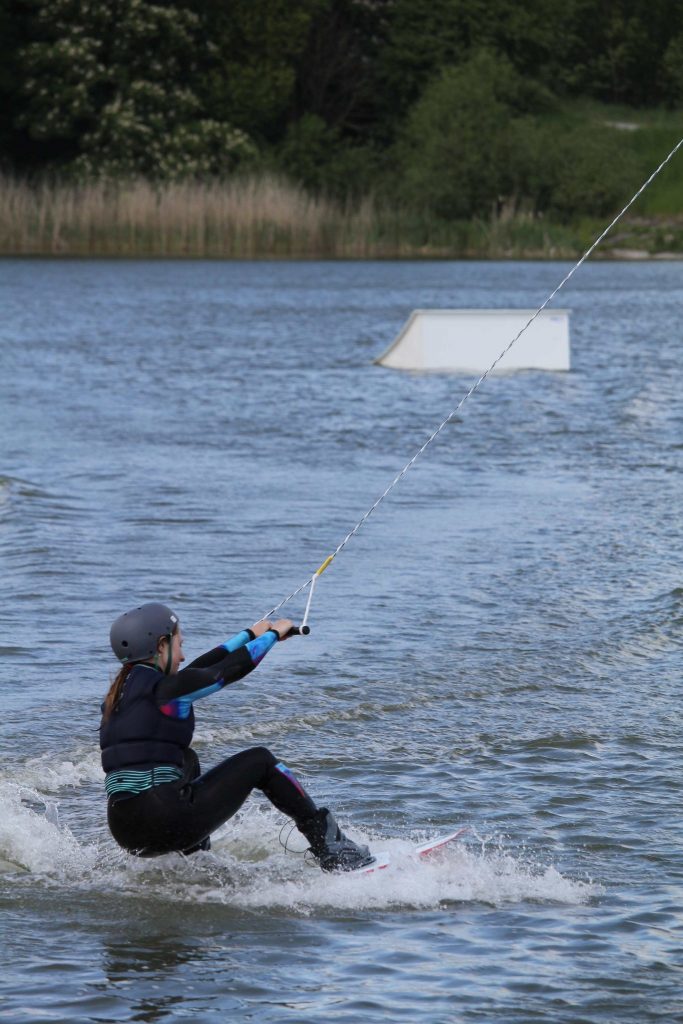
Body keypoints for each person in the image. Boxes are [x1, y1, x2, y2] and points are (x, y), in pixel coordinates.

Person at [100, 602, 373, 871]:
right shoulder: (167, 690)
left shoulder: (121, 694)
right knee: (260, 761)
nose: (182, 656)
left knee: (186, 759)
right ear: (161, 645)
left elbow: (197, 670)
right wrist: (273, 635)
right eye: (179, 645)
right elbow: (222, 672)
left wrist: (249, 635)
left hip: (126, 832)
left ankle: (193, 862)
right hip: (166, 820)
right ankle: (334, 851)